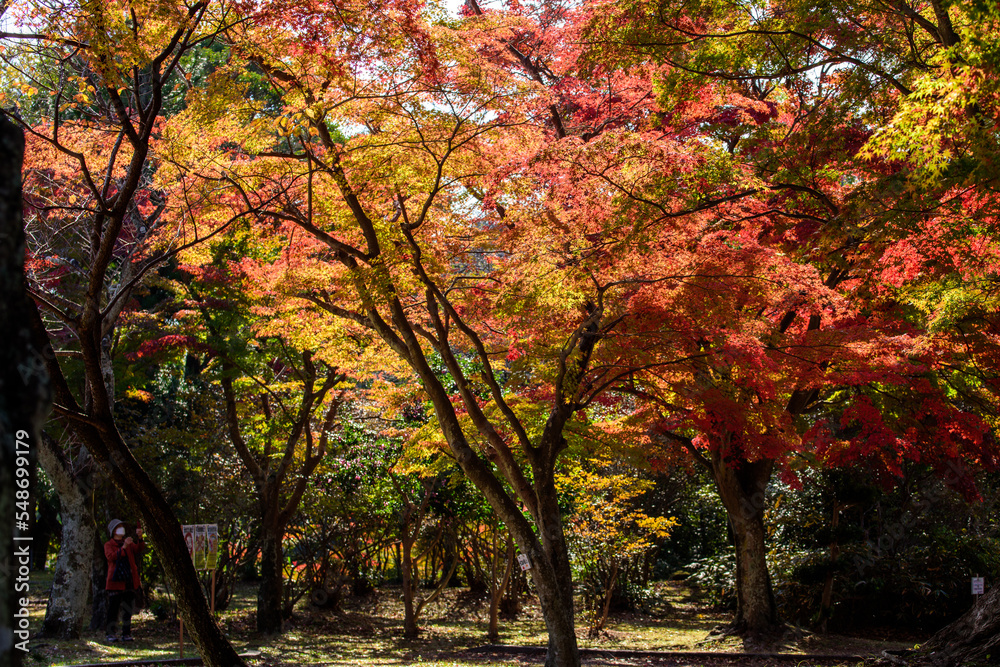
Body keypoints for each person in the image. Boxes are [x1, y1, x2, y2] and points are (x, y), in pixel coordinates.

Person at [104, 519, 144, 642]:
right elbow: (111, 557)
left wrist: (140, 537)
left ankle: (126, 633)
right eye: (119, 527)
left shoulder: (129, 543)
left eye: (122, 526)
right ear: (113, 531)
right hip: (115, 581)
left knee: (127, 609)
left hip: (129, 580)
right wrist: (124, 547)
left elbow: (139, 549)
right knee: (113, 609)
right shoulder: (109, 545)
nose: (122, 529)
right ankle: (110, 633)